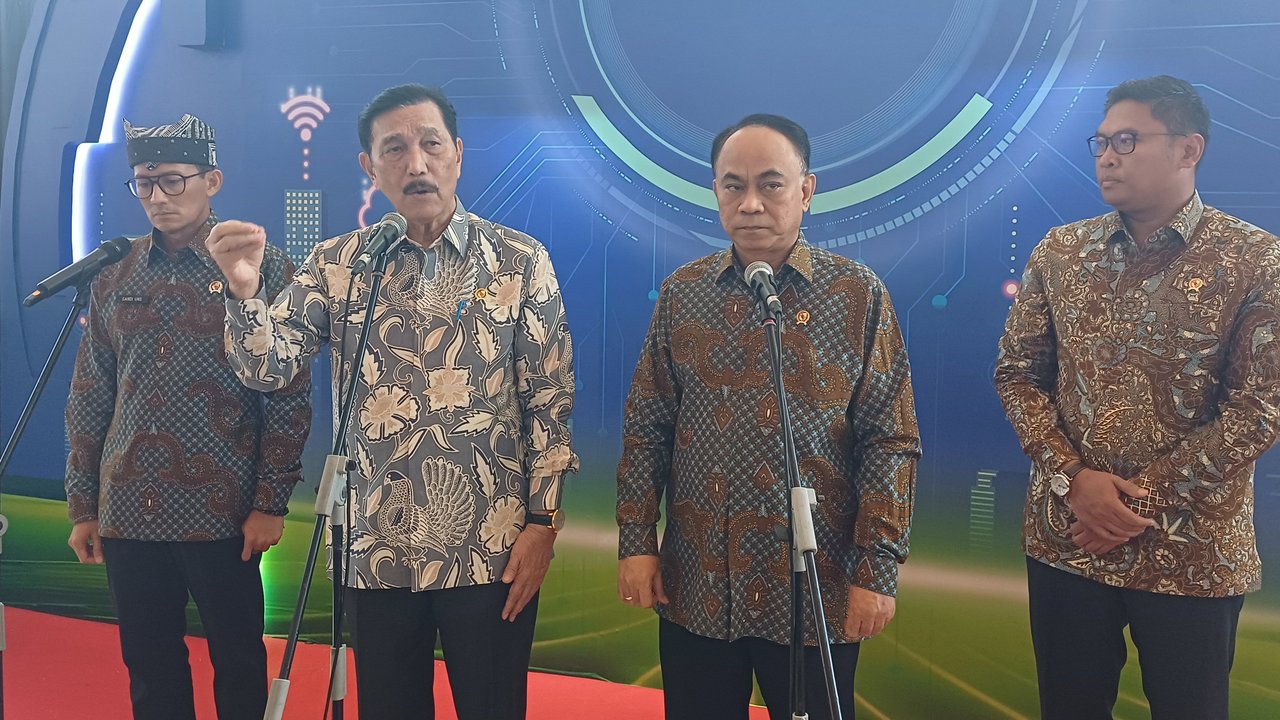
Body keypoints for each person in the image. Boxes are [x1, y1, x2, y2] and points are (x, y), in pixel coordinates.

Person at [206, 84, 578, 720]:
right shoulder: (341, 264)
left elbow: (549, 400)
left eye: (431, 144)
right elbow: (267, 369)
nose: (417, 164)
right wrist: (244, 294)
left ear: (457, 153)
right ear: (369, 166)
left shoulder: (517, 262)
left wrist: (542, 525)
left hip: (490, 548)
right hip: (375, 550)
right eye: (395, 149)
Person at [616, 113, 921, 720]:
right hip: (699, 583)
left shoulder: (857, 294)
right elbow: (648, 428)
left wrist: (877, 569)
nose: (750, 203)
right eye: (733, 185)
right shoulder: (683, 293)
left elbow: (890, 440)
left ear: (806, 190)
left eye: (771, 184)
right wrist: (636, 542)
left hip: (816, 588)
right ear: (715, 191)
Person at [994, 75, 1280, 720]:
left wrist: (1135, 500)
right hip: (1069, 539)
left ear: (1188, 149)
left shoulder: (1256, 260)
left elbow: (1261, 406)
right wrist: (1074, 481)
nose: (1107, 156)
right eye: (1100, 142)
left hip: (1192, 550)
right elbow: (1018, 375)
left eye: (1127, 140)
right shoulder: (1062, 253)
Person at [64, 114, 312, 719]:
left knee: (239, 664)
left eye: (173, 180)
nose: (157, 196)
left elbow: (288, 394)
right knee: (150, 670)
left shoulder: (263, 266)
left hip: (223, 511)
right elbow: (91, 394)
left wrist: (271, 502)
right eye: (144, 183)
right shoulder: (113, 273)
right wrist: (83, 505)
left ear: (212, 181)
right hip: (127, 508)